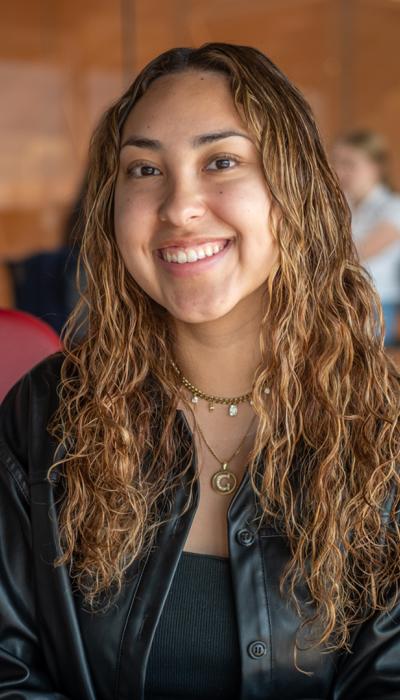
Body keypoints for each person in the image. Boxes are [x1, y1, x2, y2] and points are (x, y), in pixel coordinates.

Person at [0, 43, 399, 700]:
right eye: (144, 169)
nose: (180, 206)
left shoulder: (383, 433)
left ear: (293, 189)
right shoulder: (44, 415)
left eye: (222, 161)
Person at [333, 130, 400, 345]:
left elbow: (354, 255)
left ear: (375, 167)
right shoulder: (343, 206)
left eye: (349, 164)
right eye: (337, 162)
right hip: (341, 299)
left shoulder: (393, 208)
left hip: (375, 305)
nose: (339, 171)